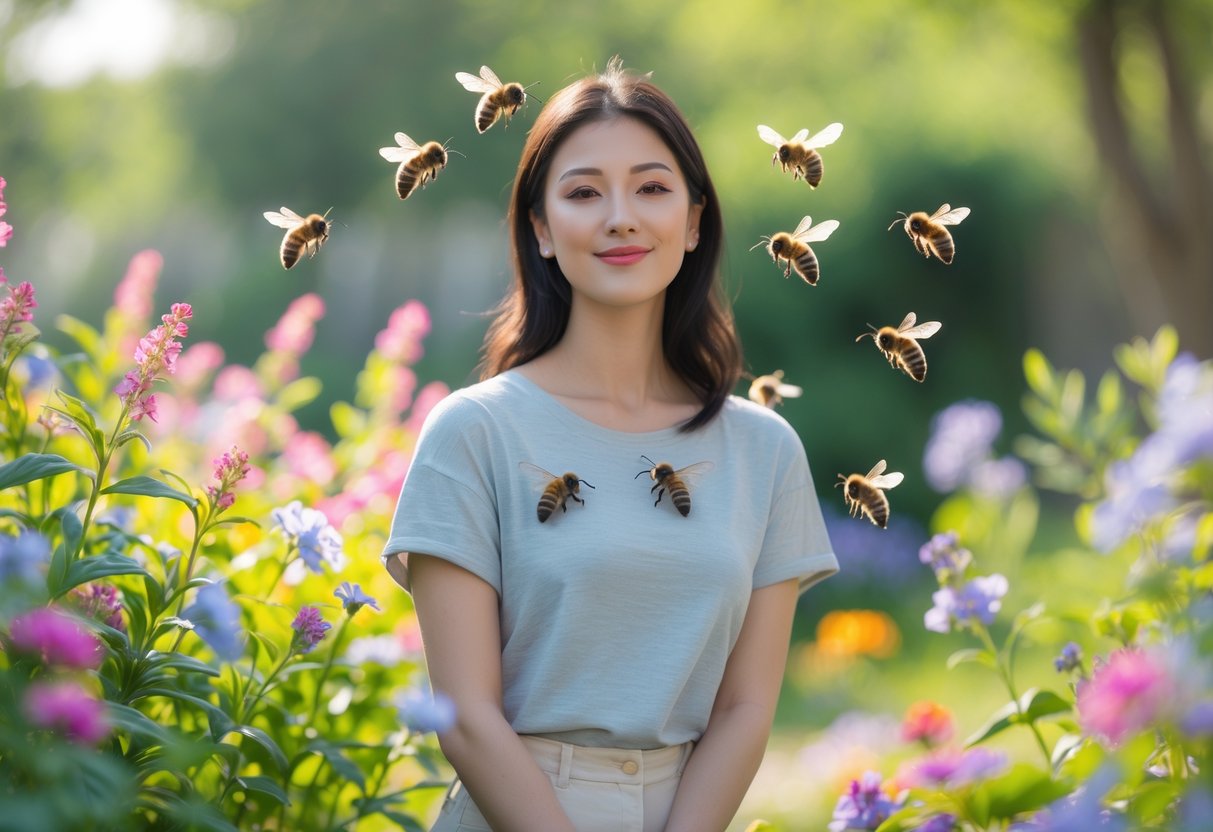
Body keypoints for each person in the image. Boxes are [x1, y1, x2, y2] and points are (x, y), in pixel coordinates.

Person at [382, 57, 839, 832]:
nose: (620, 217)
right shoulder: (475, 431)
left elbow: (744, 709)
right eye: (584, 192)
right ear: (541, 228)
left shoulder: (763, 449)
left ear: (695, 222)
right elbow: (462, 713)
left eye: (652, 188)